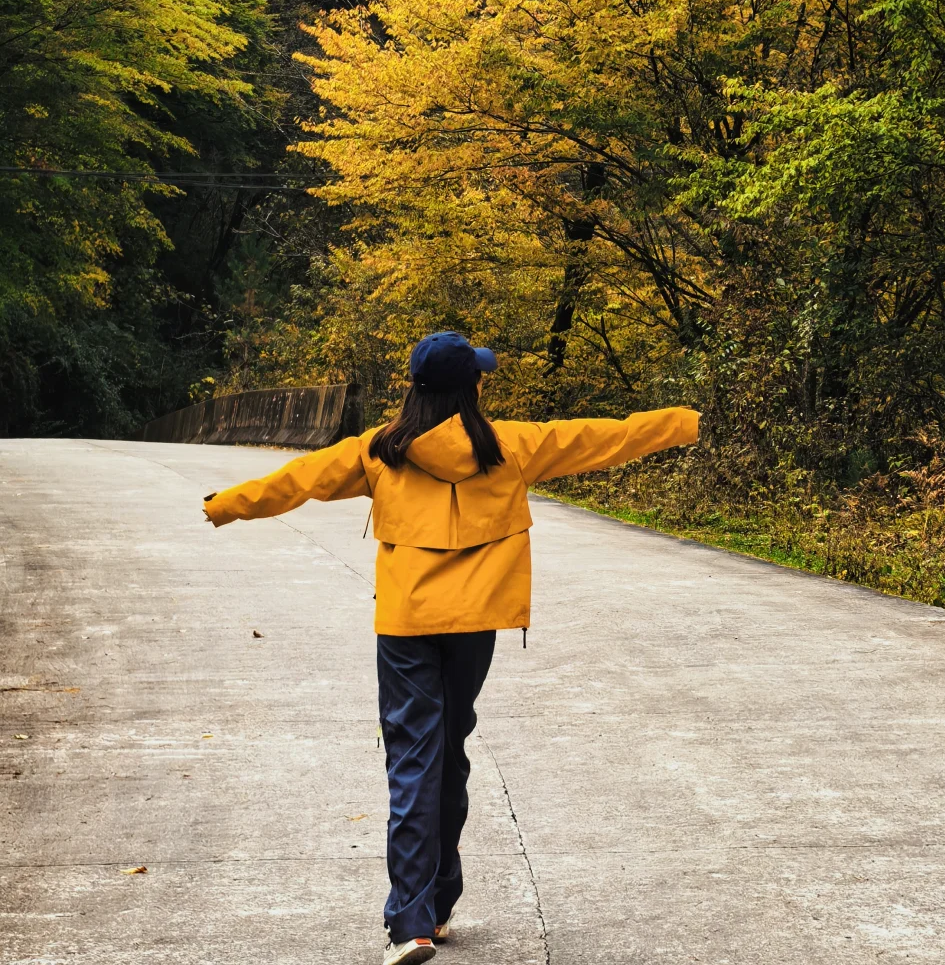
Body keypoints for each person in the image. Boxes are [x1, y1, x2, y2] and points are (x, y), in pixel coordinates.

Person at [203, 331, 699, 965]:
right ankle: (436, 904)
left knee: (414, 756)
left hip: (407, 628)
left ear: (414, 387)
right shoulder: (512, 446)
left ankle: (412, 919)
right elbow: (606, 436)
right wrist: (683, 421)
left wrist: (225, 505)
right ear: (474, 387)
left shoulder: (379, 450)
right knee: (449, 749)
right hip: (474, 625)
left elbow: (299, 478)